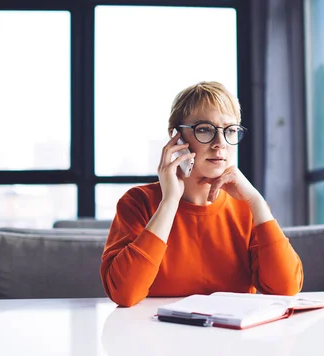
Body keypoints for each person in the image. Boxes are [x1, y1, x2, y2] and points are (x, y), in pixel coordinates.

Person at [100, 81, 303, 307]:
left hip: (231, 339)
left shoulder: (245, 206)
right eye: (205, 129)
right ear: (176, 136)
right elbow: (124, 293)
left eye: (230, 130)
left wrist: (256, 201)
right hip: (156, 337)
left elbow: (286, 288)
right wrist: (169, 202)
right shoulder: (137, 203)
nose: (220, 144)